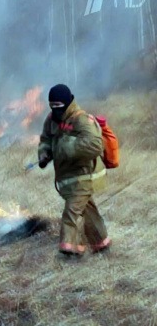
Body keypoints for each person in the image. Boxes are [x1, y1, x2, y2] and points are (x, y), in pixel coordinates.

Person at [37, 84, 111, 256]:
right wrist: (44, 153)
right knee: (87, 209)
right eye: (52, 106)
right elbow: (45, 139)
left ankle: (70, 250)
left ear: (67, 102)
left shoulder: (82, 119)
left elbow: (95, 145)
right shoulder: (51, 120)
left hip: (85, 175)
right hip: (68, 176)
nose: (56, 110)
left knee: (72, 212)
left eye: (58, 106)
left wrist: (65, 146)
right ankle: (101, 242)